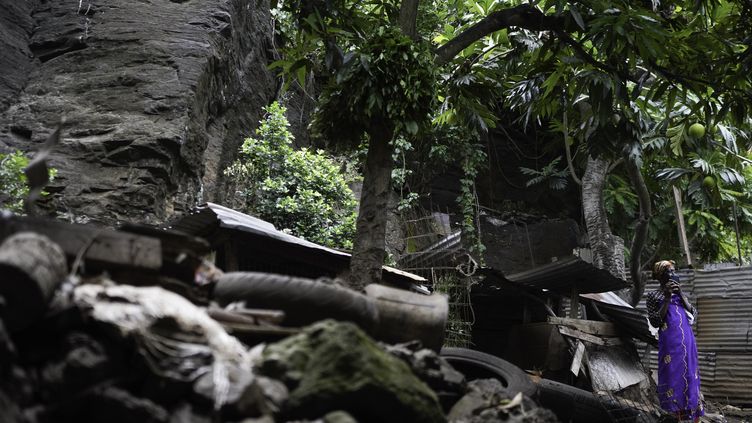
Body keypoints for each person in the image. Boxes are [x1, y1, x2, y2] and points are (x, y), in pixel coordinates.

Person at [645, 260, 704, 422]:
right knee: (673, 375)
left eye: (673, 270)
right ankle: (675, 416)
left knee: (691, 375)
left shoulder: (680, 292)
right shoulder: (653, 296)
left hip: (688, 341)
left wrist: (681, 295)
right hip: (670, 341)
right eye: (668, 272)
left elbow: (694, 314)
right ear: (659, 276)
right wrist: (667, 297)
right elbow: (656, 321)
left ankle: (692, 417)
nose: (672, 274)